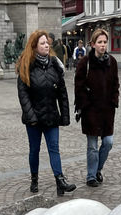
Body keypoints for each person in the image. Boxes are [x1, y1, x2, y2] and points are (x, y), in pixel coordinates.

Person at [16, 29, 76, 197]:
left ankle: (60, 180)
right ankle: (34, 179)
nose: (46, 46)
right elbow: (23, 94)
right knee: (34, 150)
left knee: (54, 148)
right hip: (33, 119)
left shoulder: (55, 64)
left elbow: (62, 93)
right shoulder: (26, 65)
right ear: (34, 46)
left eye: (47, 43)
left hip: (51, 116)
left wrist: (64, 116)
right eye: (42, 43)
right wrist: (31, 116)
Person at [74, 28, 119, 188]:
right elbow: (78, 86)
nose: (103, 45)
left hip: (107, 111)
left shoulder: (112, 62)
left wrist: (114, 101)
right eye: (99, 42)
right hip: (91, 111)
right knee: (92, 146)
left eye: (105, 42)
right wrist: (85, 104)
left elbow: (115, 84)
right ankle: (91, 176)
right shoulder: (84, 63)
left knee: (108, 142)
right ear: (93, 44)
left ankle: (98, 168)